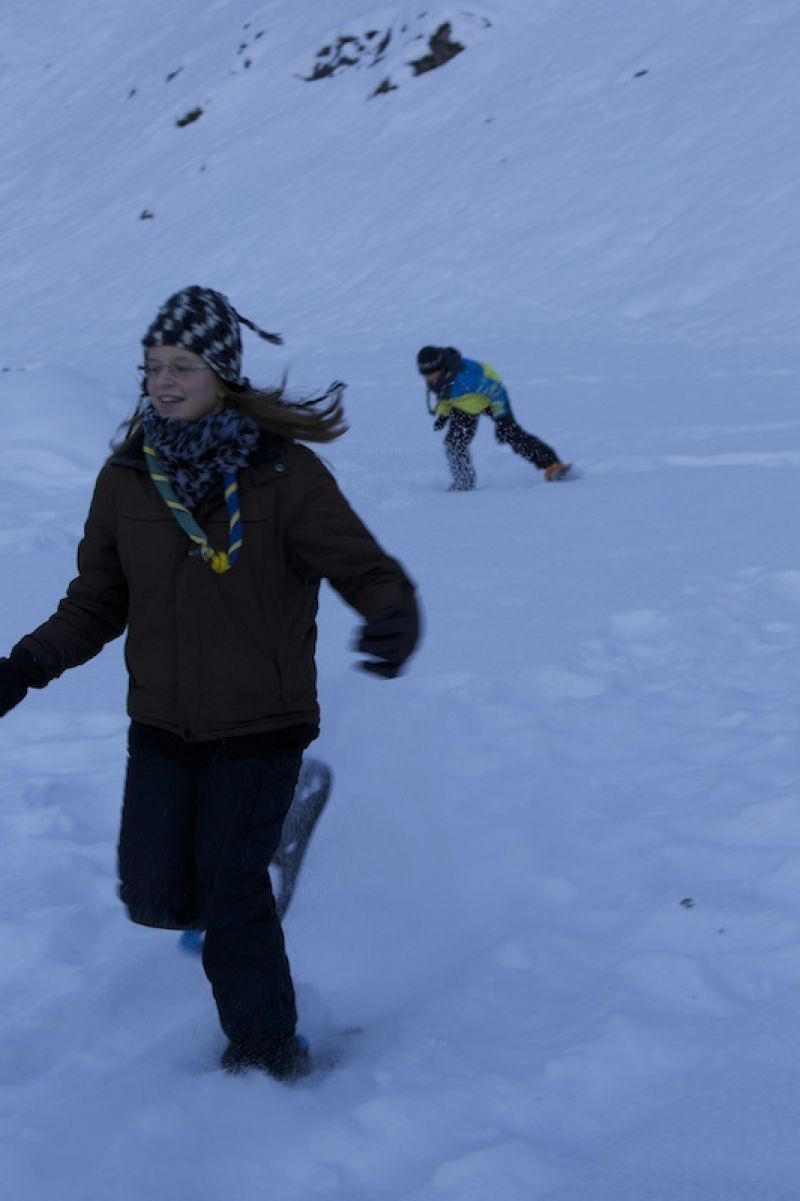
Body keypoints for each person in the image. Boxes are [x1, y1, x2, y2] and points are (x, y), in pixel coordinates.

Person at [0, 286, 420, 1082]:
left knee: (230, 896)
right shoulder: (128, 477)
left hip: (263, 721)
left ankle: (267, 1052)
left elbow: (362, 565)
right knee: (157, 893)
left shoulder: (282, 474)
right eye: (153, 366)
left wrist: (391, 612)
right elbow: (97, 599)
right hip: (163, 722)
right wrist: (23, 667)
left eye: (183, 365)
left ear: (221, 372)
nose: (163, 381)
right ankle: (278, 829)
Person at [417, 345, 570, 491]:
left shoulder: (466, 377)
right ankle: (464, 481)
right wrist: (443, 414)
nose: (428, 378)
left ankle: (552, 465)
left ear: (441, 367)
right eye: (424, 374)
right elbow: (445, 395)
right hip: (465, 404)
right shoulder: (436, 378)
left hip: (492, 399)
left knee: (511, 433)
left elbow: (496, 391)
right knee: (454, 442)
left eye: (431, 373)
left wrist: (502, 419)